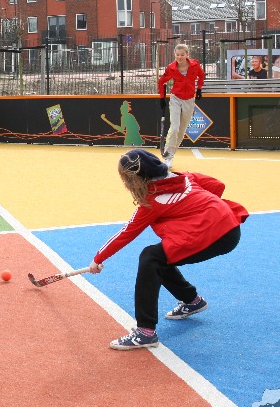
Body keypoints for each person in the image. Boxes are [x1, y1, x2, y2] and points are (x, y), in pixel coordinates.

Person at [88, 149, 249, 351]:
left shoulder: (153, 202)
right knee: (159, 257)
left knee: (151, 258)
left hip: (216, 235)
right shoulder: (185, 177)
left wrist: (98, 259)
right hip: (231, 227)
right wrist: (200, 212)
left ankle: (145, 332)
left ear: (136, 179)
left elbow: (127, 232)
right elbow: (218, 185)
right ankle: (192, 301)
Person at [156, 44, 205, 166]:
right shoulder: (171, 68)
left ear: (187, 54)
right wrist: (162, 97)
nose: (179, 57)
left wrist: (199, 89)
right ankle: (168, 156)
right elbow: (161, 81)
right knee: (174, 127)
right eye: (177, 55)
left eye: (182, 54)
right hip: (175, 98)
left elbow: (201, 75)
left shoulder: (195, 65)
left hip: (189, 99)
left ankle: (172, 153)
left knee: (182, 131)